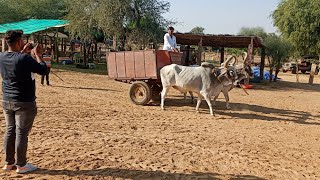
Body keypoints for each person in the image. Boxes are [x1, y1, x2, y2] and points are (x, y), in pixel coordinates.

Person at [0, 30, 47, 174]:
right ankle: (21, 165)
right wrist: (38, 55)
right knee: (21, 133)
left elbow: (15, 61)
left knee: (10, 131)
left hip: (7, 99)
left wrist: (23, 53)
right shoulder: (24, 59)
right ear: (20, 42)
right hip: (24, 102)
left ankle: (9, 163)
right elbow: (43, 70)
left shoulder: (1, 56)